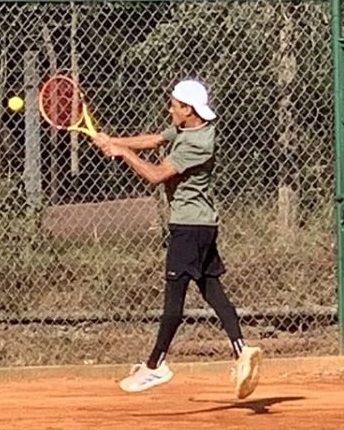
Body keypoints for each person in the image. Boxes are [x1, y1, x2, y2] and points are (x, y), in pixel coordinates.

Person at [92, 79, 263, 399]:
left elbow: (156, 175)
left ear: (188, 109)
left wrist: (123, 153)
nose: (168, 108)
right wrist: (111, 140)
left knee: (174, 300)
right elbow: (155, 139)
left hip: (188, 228)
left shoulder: (195, 144)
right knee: (212, 289)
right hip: (203, 226)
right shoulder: (192, 129)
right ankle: (242, 351)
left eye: (173, 104)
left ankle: (155, 364)